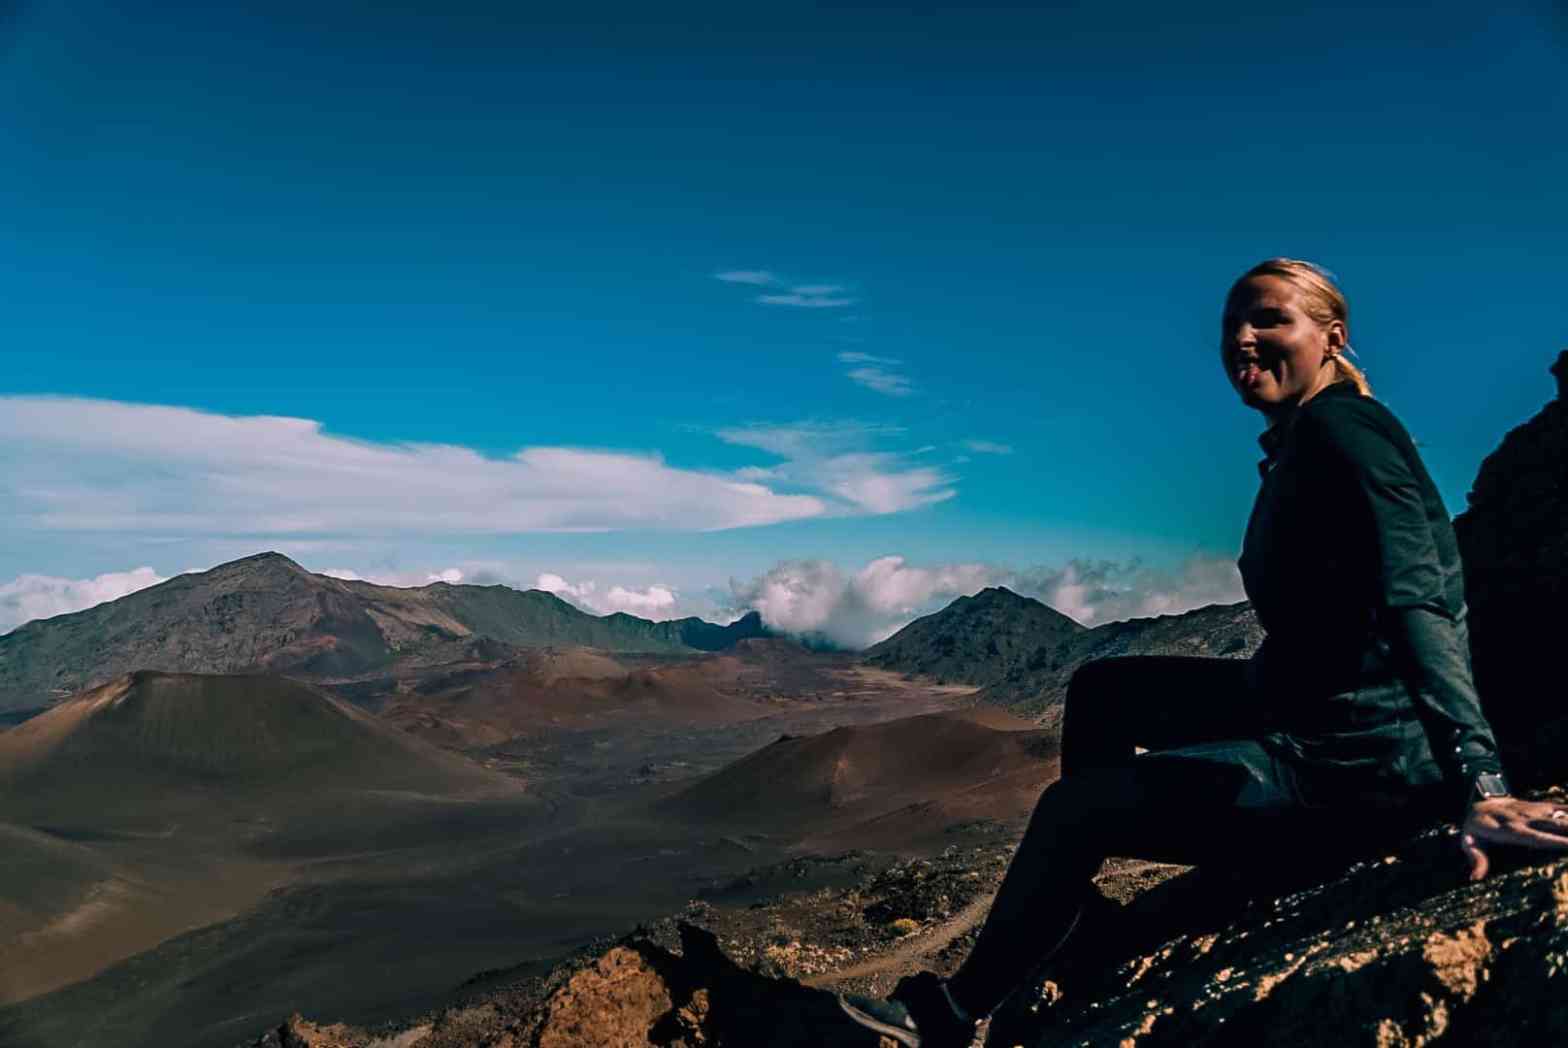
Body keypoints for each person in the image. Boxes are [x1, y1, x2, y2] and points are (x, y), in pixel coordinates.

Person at [836, 258, 1568, 1048]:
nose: (1242, 339)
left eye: (1269, 320)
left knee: (1072, 812)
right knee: (1103, 691)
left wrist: (1481, 782)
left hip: (1359, 765)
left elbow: (1416, 596)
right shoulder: (1306, 435)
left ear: (1332, 336)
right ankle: (1078, 915)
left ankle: (956, 1009)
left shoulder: (1345, 429)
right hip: (1308, 704)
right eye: (1231, 325)